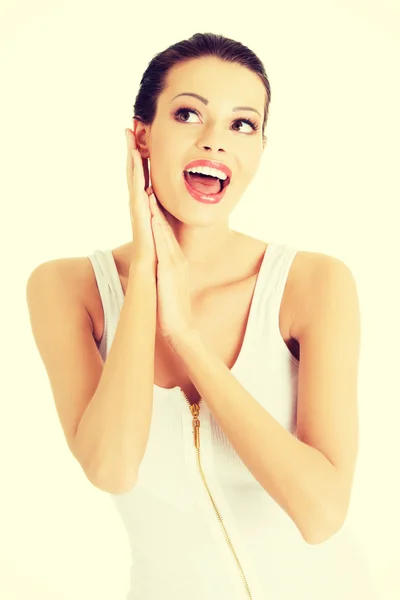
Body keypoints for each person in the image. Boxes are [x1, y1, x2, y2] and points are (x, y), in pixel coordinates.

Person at [27, 32, 377, 600]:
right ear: (142, 136)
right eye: (189, 113)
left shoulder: (314, 284)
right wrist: (146, 275)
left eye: (243, 124)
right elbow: (111, 468)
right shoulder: (66, 288)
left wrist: (185, 335)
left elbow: (321, 514)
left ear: (261, 148)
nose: (216, 142)